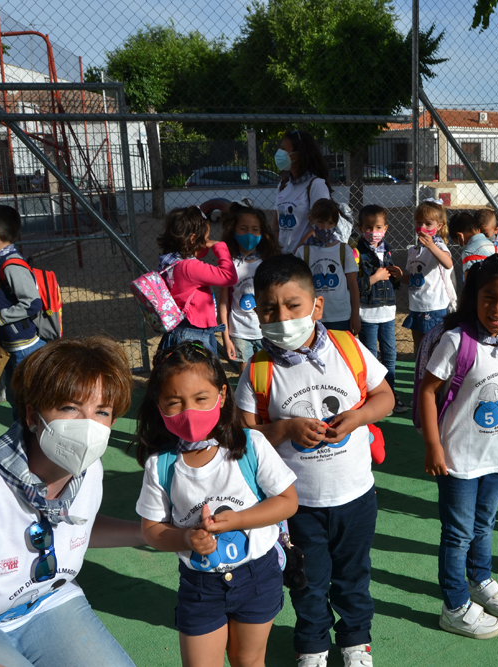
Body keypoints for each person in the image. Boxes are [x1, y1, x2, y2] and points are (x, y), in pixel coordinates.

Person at [0, 337, 144, 666]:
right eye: (69, 407)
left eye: (101, 411)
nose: (88, 426)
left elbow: (77, 527)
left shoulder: (89, 471)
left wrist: (147, 533)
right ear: (32, 415)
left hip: (47, 601)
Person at [236, 254, 394, 667]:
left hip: (356, 496)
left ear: (317, 306)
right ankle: (312, 646)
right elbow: (243, 438)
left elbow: (385, 397)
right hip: (298, 505)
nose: (282, 318)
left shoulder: (349, 347)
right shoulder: (258, 370)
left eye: (293, 306)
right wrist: (285, 429)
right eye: (269, 309)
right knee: (307, 582)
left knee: (353, 576)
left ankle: (356, 641)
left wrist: (357, 417)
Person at [135, 341, 299, 667]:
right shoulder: (161, 465)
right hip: (200, 586)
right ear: (158, 404)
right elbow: (151, 530)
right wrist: (186, 538)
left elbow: (287, 502)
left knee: (248, 660)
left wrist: (237, 520)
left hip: (257, 576)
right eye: (174, 402)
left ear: (222, 395)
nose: (189, 412)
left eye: (201, 399)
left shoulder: (251, 445)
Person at [419, 253, 498, 639]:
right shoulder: (457, 340)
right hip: (458, 458)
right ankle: (454, 606)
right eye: (489, 297)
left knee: (485, 524)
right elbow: (428, 391)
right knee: (457, 533)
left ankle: (479, 578)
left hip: (497, 456)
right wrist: (433, 445)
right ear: (476, 297)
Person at [0, 205, 47, 420]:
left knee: (26, 402)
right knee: (17, 399)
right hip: (11, 345)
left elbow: (32, 303)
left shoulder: (11, 265)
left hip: (23, 347)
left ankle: (29, 436)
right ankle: (22, 434)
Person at [156, 205, 238, 358]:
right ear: (193, 239)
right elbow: (229, 276)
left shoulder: (170, 262)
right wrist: (220, 246)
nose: (208, 242)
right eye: (206, 238)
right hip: (194, 335)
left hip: (178, 331)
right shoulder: (190, 267)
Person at [356, 204, 407, 414]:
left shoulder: (387, 249)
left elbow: (391, 282)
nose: (373, 232)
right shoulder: (356, 252)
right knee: (370, 355)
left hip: (387, 312)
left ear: (385, 228)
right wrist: (375, 277)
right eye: (368, 227)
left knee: (389, 354)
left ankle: (390, 393)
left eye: (378, 227)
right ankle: (372, 396)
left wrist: (397, 276)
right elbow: (355, 285)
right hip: (367, 313)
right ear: (360, 228)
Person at [218, 201, 282, 370]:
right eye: (243, 228)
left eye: (255, 229)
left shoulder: (268, 262)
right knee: (245, 376)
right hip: (239, 332)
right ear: (233, 230)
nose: (249, 234)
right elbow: (224, 302)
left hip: (266, 332)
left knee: (267, 374)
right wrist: (225, 337)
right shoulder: (228, 263)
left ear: (262, 232)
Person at [295, 198, 360, 334]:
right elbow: (298, 286)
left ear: (336, 224)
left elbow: (353, 285)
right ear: (311, 220)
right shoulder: (303, 251)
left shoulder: (344, 250)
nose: (325, 227)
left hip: (341, 316)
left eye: (330, 223)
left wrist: (355, 314)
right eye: (321, 222)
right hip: (313, 316)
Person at [404, 199, 453, 354]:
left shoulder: (438, 245)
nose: (422, 227)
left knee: (434, 350)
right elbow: (415, 277)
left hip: (433, 307)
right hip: (416, 306)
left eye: (428, 224)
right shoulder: (414, 250)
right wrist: (399, 276)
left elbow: (448, 263)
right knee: (420, 351)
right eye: (419, 223)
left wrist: (431, 246)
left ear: (439, 226)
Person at [275, 129, 332, 254]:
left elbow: (320, 226)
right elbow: (276, 225)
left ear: (297, 154)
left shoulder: (316, 185)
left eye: (284, 149)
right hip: (283, 258)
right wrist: (276, 253)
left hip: (306, 257)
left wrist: (296, 254)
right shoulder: (283, 185)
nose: (279, 153)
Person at [449, 211, 496, 281]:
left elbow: (469, 282)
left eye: (457, 242)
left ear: (460, 236)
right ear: (478, 230)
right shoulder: (494, 247)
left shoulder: (468, 252)